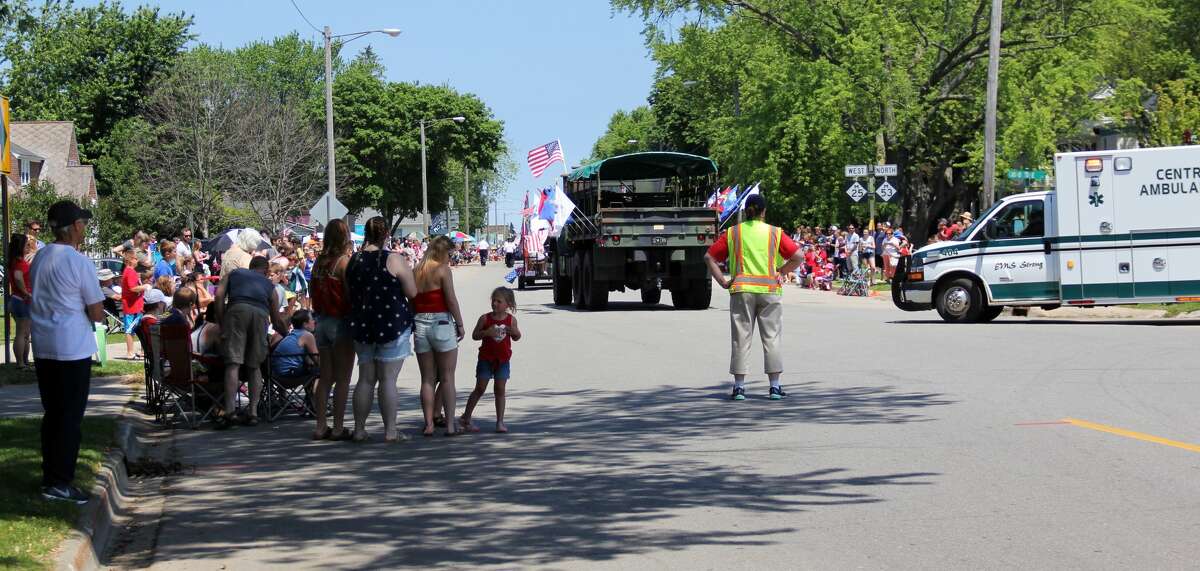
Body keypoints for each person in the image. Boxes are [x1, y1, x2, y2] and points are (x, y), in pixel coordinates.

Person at [29, 201, 105, 504]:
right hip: (71, 346)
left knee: (53, 415)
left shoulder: (40, 257)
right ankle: (61, 481)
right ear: (74, 226)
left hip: (44, 343)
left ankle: (52, 477)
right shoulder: (78, 262)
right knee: (70, 418)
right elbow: (98, 312)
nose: (84, 229)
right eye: (82, 224)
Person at [702, 194, 803, 401]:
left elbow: (709, 257)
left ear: (746, 211)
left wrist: (722, 281)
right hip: (769, 292)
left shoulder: (733, 233)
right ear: (764, 212)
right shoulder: (775, 232)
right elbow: (798, 256)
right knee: (772, 338)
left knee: (741, 339)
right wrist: (782, 271)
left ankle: (739, 388)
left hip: (742, 290)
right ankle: (775, 387)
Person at [346, 217, 417, 443]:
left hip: (362, 325)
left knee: (365, 378)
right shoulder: (394, 259)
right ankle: (390, 431)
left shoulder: (354, 260)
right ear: (386, 233)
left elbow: (349, 293)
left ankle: (358, 429)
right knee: (388, 379)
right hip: (391, 325)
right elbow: (412, 292)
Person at [213, 255, 290, 429]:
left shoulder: (234, 274)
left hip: (237, 311)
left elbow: (218, 296)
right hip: (260, 315)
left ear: (250, 266)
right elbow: (276, 319)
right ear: (264, 270)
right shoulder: (269, 286)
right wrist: (287, 334)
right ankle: (253, 412)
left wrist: (221, 320)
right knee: (254, 365)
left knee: (233, 363)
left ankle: (231, 410)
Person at [412, 235, 467, 436]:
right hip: (442, 322)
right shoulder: (443, 270)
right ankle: (451, 425)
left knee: (426, 378)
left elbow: (411, 299)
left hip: (420, 323)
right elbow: (450, 299)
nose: (451, 258)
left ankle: (428, 424)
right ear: (443, 252)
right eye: (450, 254)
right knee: (447, 377)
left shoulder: (416, 270)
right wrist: (459, 323)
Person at [310, 219, 356, 441]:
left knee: (325, 376)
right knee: (344, 378)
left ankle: (320, 426)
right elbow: (350, 294)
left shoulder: (319, 262)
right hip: (340, 321)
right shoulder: (343, 262)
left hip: (322, 321)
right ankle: (338, 427)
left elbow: (311, 292)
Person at [461, 287, 521, 434]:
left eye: (499, 301)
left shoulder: (511, 320)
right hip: (486, 359)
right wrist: (486, 332)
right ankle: (466, 417)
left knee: (500, 390)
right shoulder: (485, 318)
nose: (495, 303)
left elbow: (517, 336)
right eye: (493, 300)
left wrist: (512, 331)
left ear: (508, 304)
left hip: (503, 360)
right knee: (480, 388)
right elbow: (475, 335)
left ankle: (500, 422)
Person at [8, 233, 35, 369]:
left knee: (25, 333)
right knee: (21, 333)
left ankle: (24, 361)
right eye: (26, 245)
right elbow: (18, 278)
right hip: (21, 300)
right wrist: (26, 293)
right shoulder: (19, 262)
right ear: (20, 247)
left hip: (18, 300)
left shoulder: (16, 261)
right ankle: (20, 363)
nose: (28, 248)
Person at [119, 246, 149, 359]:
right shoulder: (130, 271)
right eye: (136, 258)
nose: (137, 260)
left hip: (136, 305)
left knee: (140, 328)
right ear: (130, 260)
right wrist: (144, 287)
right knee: (130, 330)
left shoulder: (130, 272)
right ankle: (130, 352)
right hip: (131, 307)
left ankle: (142, 351)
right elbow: (132, 288)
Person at [271, 309, 319, 378]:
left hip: (276, 374)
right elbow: (317, 360)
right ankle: (318, 389)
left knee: (311, 367)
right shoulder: (307, 335)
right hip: (288, 375)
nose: (314, 322)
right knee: (323, 370)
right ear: (305, 324)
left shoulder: (293, 334)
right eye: (312, 319)